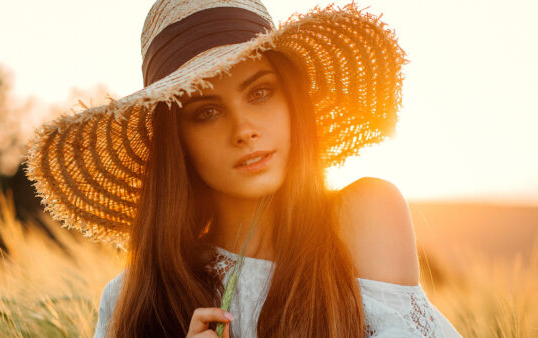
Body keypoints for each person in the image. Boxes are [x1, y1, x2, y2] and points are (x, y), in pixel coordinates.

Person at [25, 0, 462, 337]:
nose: (244, 129)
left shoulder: (365, 214)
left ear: (292, 100)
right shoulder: (132, 299)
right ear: (177, 141)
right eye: (206, 112)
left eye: (260, 93)